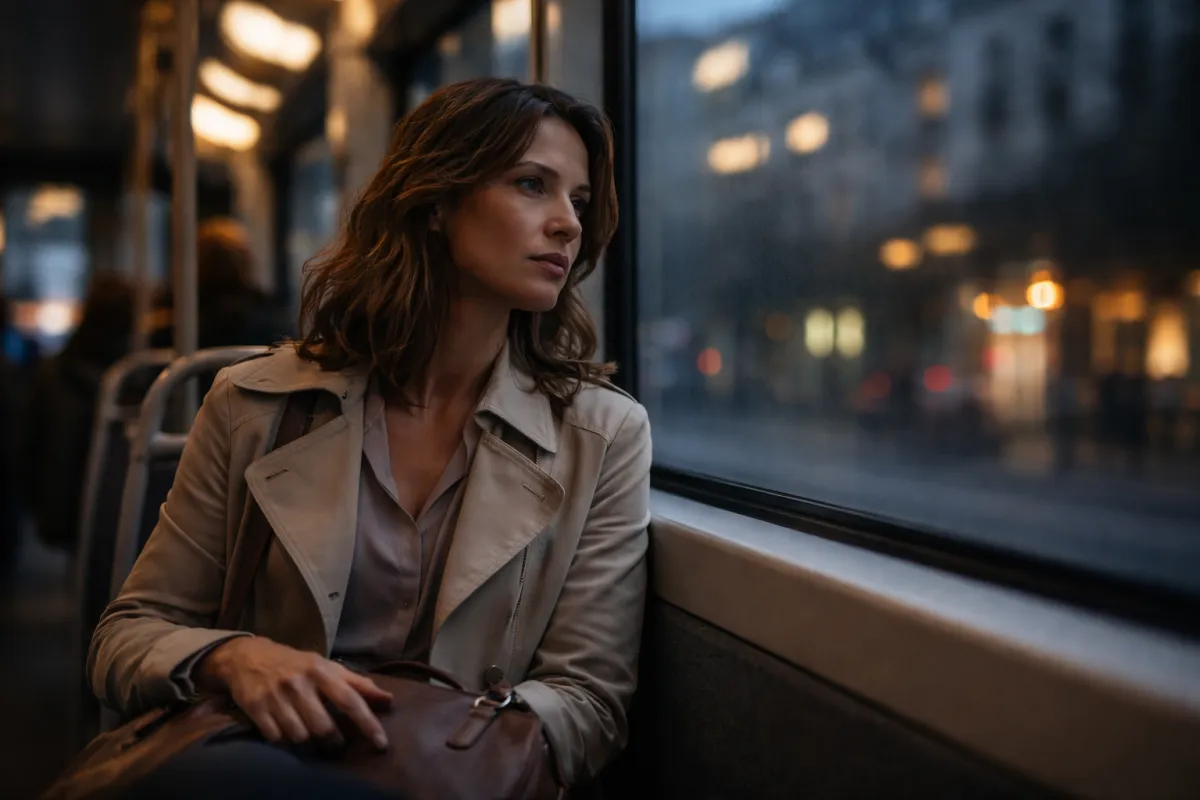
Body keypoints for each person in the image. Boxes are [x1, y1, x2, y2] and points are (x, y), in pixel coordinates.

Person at [88, 78, 651, 796]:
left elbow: (589, 702)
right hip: (263, 755)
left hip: (453, 771)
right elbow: (125, 635)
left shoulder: (602, 434)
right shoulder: (255, 405)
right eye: (532, 184)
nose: (569, 224)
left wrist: (449, 741)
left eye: (578, 202)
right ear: (438, 202)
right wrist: (239, 658)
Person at [22, 275, 135, 554]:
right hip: (124, 494)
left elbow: (31, 439)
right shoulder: (139, 373)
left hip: (66, 493)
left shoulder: (58, 368)